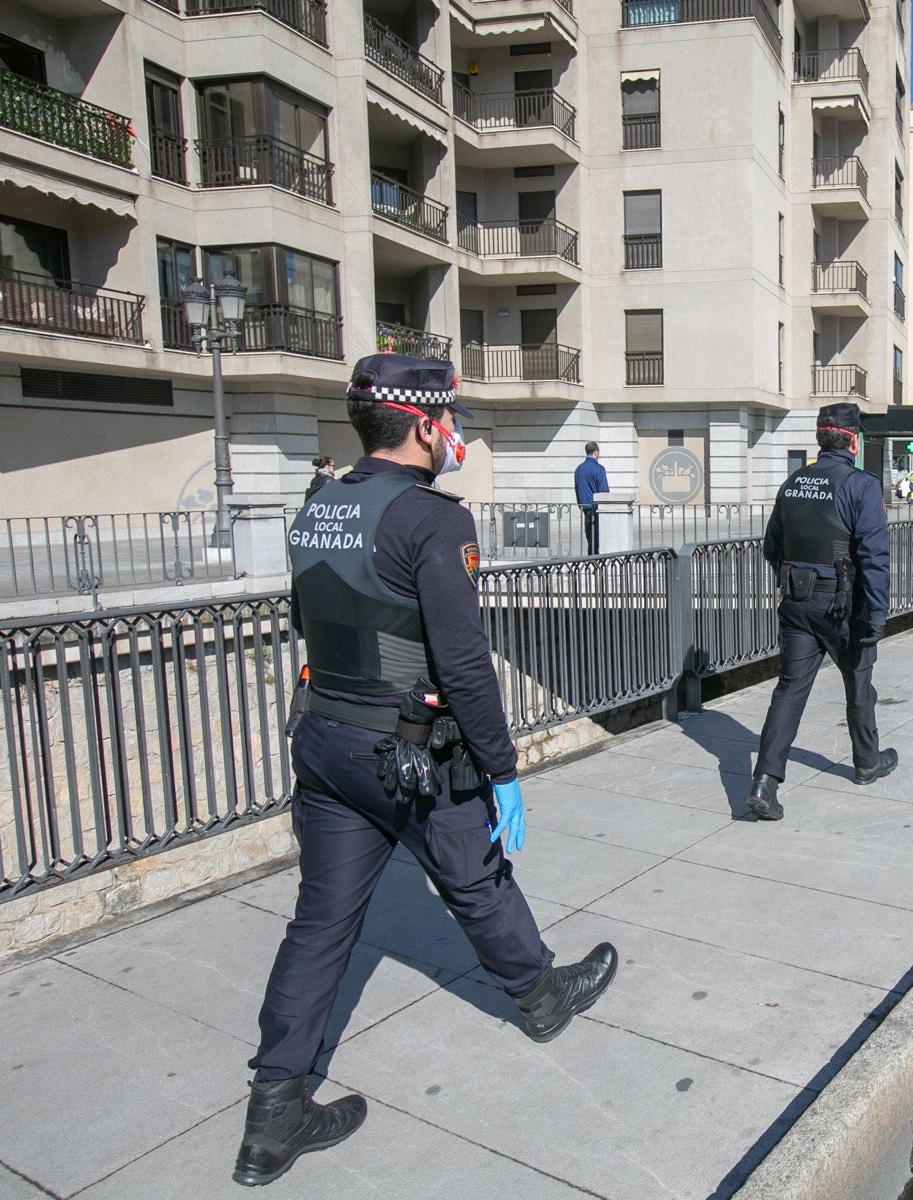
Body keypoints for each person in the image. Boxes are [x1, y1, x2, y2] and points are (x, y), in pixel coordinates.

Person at [237, 354, 617, 1186]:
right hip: (405, 749)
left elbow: (309, 618)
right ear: (423, 425)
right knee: (476, 878)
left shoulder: (317, 507)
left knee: (321, 921)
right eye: (452, 420)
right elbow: (466, 664)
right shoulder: (432, 521)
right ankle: (543, 998)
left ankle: (273, 1113)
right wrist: (502, 769)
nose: (459, 435)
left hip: (326, 736)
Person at [746, 404, 897, 821]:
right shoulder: (861, 486)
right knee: (859, 683)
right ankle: (867, 763)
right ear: (852, 440)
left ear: (820, 438)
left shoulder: (793, 483)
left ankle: (764, 782)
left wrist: (797, 579)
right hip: (842, 606)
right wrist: (877, 615)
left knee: (790, 691)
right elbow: (874, 557)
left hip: (796, 603)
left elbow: (772, 547)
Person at [574, 441, 608, 556]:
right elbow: (604, 491)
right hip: (596, 507)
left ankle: (591, 558)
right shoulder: (599, 469)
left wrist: (580, 504)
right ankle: (595, 560)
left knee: (589, 535)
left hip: (585, 506)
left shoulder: (579, 469)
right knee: (597, 536)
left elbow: (577, 488)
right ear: (596, 452)